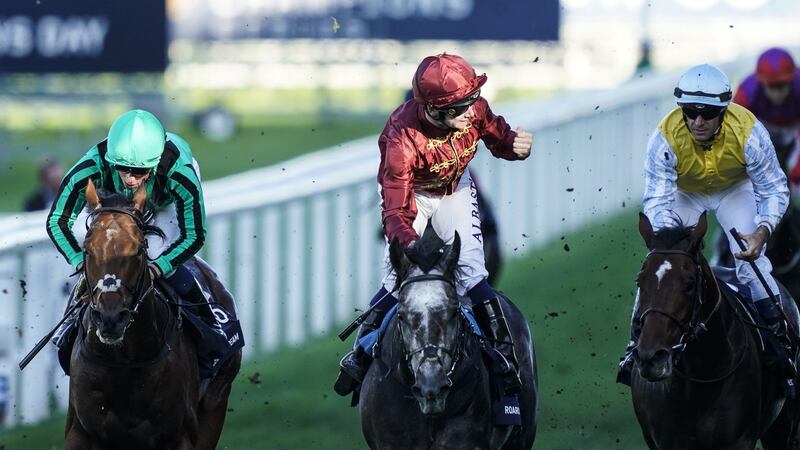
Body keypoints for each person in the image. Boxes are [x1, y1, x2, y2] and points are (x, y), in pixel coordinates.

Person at [334, 53, 533, 396]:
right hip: (413, 195)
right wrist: (409, 246)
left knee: (471, 272)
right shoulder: (402, 140)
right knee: (399, 279)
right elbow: (395, 212)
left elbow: (498, 137)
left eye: (473, 101)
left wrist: (515, 146)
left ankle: (503, 357)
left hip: (456, 189)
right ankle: (360, 352)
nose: (472, 111)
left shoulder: (473, 107)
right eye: (462, 106)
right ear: (433, 110)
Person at [617, 64, 791, 385]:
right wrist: (667, 245)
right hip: (686, 194)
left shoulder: (750, 133)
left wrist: (762, 231)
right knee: (659, 268)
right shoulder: (663, 139)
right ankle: (634, 344)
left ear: (724, 111)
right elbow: (657, 201)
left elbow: (774, 188)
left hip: (734, 190)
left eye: (708, 113)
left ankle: (780, 345)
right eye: (690, 112)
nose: (698, 121)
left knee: (752, 265)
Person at [46, 109, 222, 375]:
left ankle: (211, 325)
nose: (129, 178)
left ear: (154, 162)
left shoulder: (179, 175)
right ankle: (68, 325)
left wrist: (158, 267)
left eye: (139, 171)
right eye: (123, 168)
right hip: (109, 203)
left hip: (164, 202)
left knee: (154, 252)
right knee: (95, 249)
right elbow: (57, 221)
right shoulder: (89, 169)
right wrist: (79, 261)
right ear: (110, 160)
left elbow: (195, 234)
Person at [734, 48, 800, 183]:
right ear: (761, 82)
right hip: (762, 130)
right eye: (771, 86)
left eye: (781, 86)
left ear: (791, 80)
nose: (777, 93)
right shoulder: (746, 93)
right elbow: (736, 131)